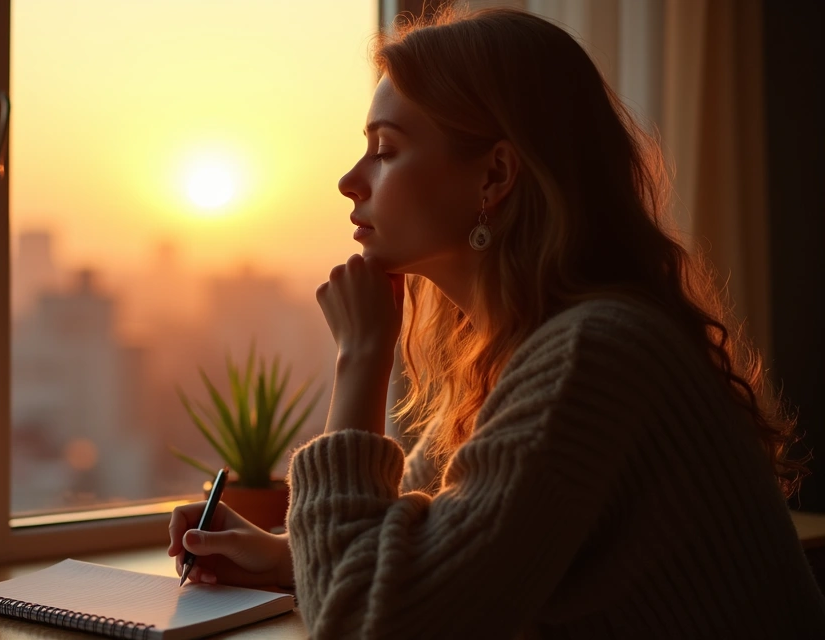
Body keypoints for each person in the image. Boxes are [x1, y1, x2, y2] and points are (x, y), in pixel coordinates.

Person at [166, 6, 825, 639]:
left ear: (496, 174)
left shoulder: (593, 354)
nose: (350, 180)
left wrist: (361, 359)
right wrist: (277, 555)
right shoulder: (517, 350)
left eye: (385, 149)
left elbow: (371, 623)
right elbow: (433, 553)